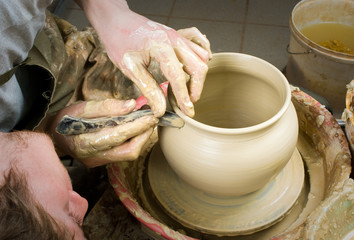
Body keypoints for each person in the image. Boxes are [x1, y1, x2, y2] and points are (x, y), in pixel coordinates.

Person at [0, 0, 211, 238]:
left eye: (68, 212)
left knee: (181, 70)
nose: (83, 205)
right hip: (26, 111)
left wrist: (111, 15)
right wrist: (51, 128)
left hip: (44, 56)